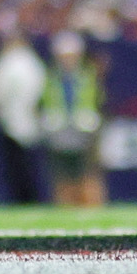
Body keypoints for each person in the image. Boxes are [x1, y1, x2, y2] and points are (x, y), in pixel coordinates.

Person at [0, 24, 46, 205]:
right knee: (29, 171)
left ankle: (23, 203)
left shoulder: (9, 62)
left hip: (11, 123)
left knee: (17, 173)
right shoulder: (33, 62)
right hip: (30, 123)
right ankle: (31, 203)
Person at [42, 29, 106, 208]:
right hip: (60, 132)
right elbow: (45, 101)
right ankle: (65, 210)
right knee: (63, 176)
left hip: (85, 132)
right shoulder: (52, 77)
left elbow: (98, 100)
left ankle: (92, 209)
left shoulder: (88, 76)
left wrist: (91, 117)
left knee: (87, 174)